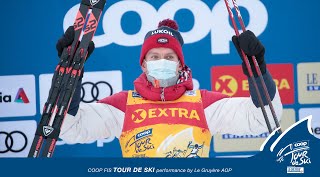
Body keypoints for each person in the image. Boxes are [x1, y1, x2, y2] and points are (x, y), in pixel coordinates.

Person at [57, 19, 283, 158]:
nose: (161, 61)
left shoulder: (204, 103)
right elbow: (70, 127)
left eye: (169, 57)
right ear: (144, 64)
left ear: (179, 63)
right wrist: (69, 74)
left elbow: (263, 120)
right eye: (154, 56)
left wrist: (257, 70)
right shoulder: (123, 106)